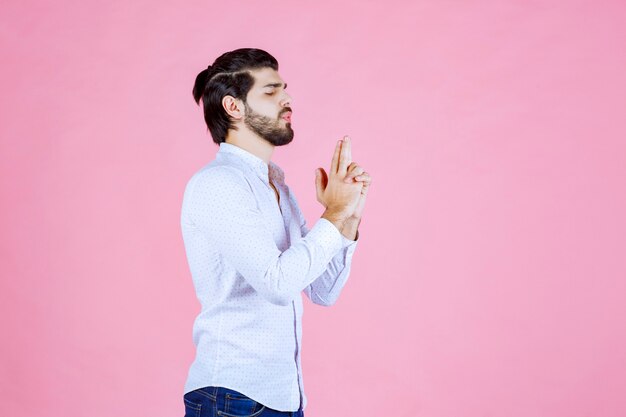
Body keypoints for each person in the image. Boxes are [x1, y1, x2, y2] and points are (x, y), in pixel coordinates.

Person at [180, 48, 371, 417]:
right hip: (233, 399)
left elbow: (323, 290)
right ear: (234, 107)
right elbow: (278, 284)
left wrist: (347, 216)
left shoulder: (278, 186)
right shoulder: (218, 184)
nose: (287, 99)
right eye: (270, 92)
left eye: (283, 88)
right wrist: (331, 215)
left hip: (282, 397)